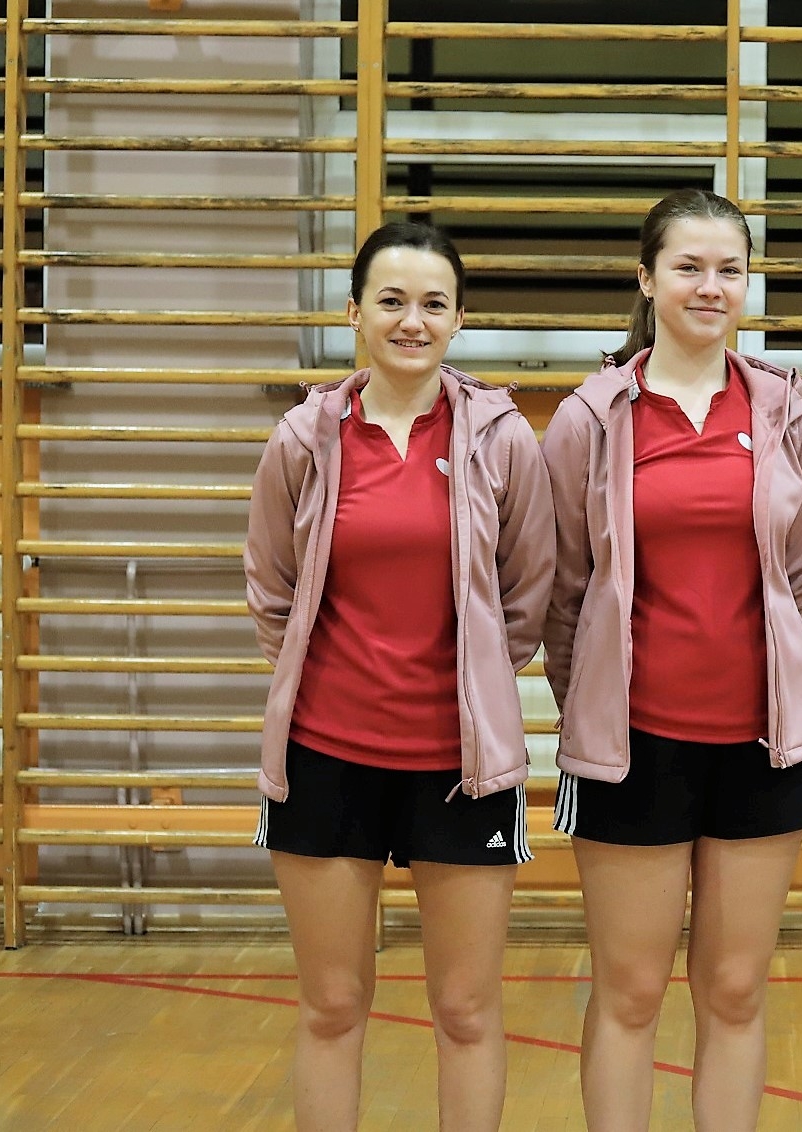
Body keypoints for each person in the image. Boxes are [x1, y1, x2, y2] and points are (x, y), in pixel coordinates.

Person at [245, 221, 555, 1132]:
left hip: (461, 767)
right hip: (325, 759)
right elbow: (272, 591)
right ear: (354, 313)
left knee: (464, 1009)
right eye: (391, 301)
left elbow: (526, 596)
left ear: (459, 319)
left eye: (432, 303)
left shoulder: (503, 438)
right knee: (332, 1006)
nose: (411, 320)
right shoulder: (304, 438)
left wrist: (473, 689)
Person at [541, 188, 802, 1132]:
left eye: (729, 270)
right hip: (634, 747)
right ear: (646, 279)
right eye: (688, 268)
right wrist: (595, 706)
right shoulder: (590, 417)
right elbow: (564, 593)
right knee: (630, 991)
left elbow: (795, 571)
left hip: (759, 744)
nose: (711, 287)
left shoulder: (783, 408)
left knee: (736, 989)